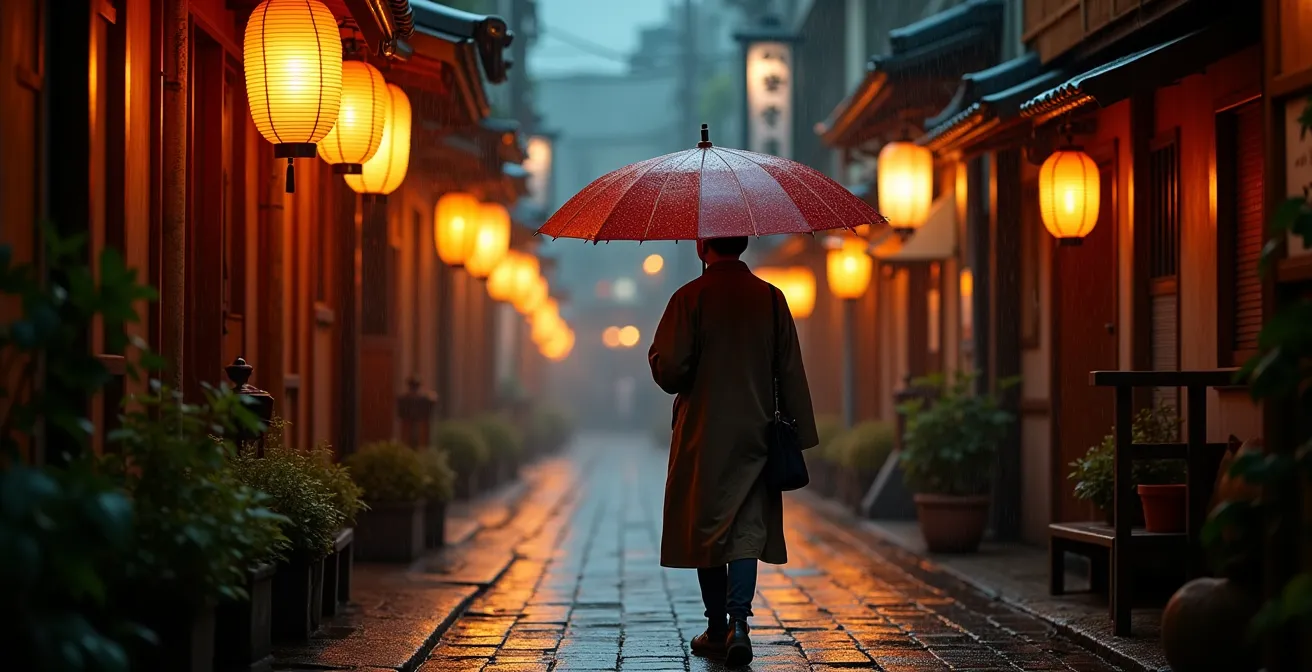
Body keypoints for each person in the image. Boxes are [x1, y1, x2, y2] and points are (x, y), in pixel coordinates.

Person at [648, 235, 818, 667]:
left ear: (703, 245)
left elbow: (670, 370)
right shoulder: (771, 299)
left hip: (704, 434)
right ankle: (741, 623)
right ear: (742, 243)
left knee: (710, 527)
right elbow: (791, 370)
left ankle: (717, 626)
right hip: (757, 432)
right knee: (746, 530)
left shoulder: (689, 298)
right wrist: (800, 432)